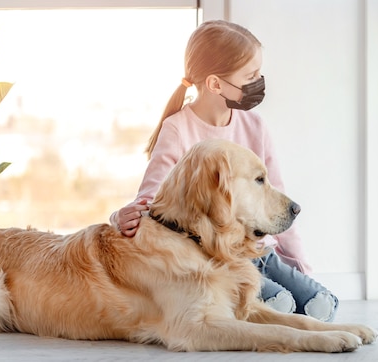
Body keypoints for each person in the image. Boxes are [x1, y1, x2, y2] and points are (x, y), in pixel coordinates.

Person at [109, 20, 338, 322]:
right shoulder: (177, 129)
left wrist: (301, 271)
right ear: (216, 84)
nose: (258, 81)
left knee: (323, 304)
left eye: (259, 73)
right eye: (250, 75)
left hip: (260, 251)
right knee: (277, 307)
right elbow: (153, 201)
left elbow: (276, 200)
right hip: (215, 260)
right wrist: (118, 217)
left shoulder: (255, 126)